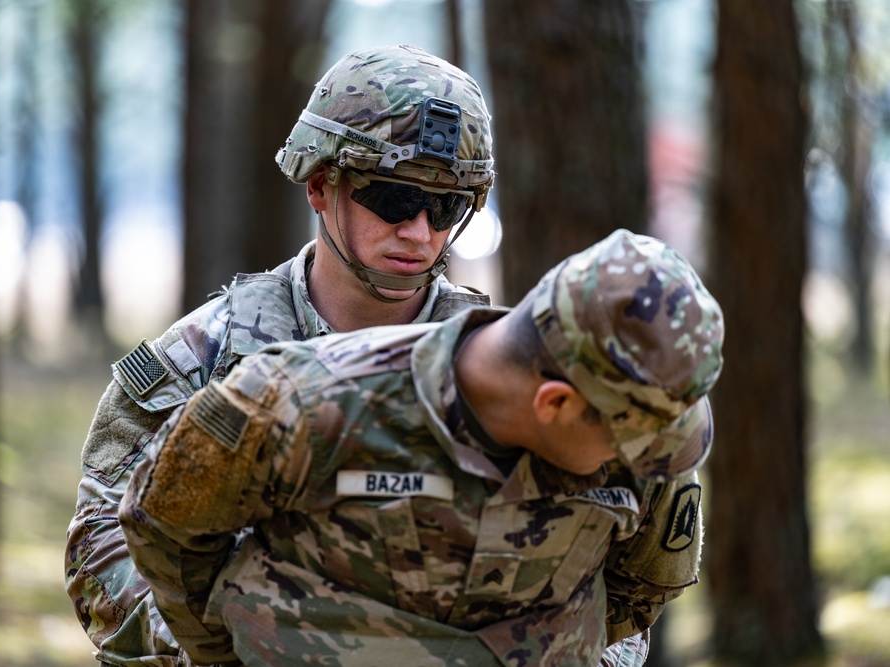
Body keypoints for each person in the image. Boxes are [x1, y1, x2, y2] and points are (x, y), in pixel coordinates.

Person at [65, 44, 498, 666]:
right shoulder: (205, 356)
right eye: (396, 200)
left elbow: (602, 559)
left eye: (447, 207)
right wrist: (221, 650)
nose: (420, 232)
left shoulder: (500, 362)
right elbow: (100, 541)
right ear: (321, 186)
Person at [118, 229, 725, 666]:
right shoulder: (295, 405)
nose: (648, 459)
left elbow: (642, 587)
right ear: (556, 404)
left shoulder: (641, 433)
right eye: (630, 440)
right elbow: (164, 529)